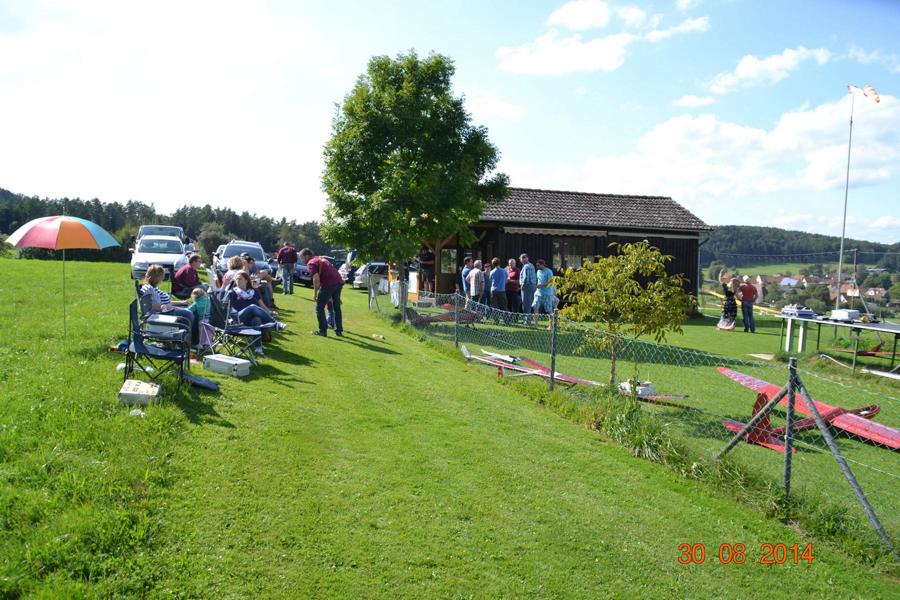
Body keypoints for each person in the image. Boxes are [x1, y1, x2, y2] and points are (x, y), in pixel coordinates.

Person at [228, 272, 286, 354]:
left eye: (240, 279)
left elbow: (262, 305)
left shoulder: (253, 292)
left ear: (246, 280)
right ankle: (275, 323)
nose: (238, 281)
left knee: (257, 319)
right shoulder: (233, 292)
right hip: (237, 318)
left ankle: (258, 348)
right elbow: (224, 303)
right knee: (252, 307)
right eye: (236, 279)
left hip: (249, 321)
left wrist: (270, 312)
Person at [140, 264, 197, 345]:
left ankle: (190, 340)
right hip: (162, 314)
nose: (163, 277)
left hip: (165, 311)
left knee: (190, 311)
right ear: (157, 277)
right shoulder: (149, 289)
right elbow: (156, 307)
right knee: (189, 314)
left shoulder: (152, 287)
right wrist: (171, 307)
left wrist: (180, 303)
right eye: (162, 275)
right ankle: (185, 341)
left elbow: (162, 302)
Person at [300, 247, 344, 337]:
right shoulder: (320, 258)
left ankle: (322, 331)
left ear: (307, 256)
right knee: (336, 307)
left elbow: (316, 278)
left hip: (329, 283)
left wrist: (315, 293)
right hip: (339, 281)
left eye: (302, 258)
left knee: (319, 306)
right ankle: (338, 330)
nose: (302, 260)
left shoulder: (311, 263)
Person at [520, 253, 537, 324]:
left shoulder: (526, 266)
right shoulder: (532, 265)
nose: (520, 260)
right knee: (529, 303)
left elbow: (526, 277)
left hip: (527, 286)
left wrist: (522, 285)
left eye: (521, 259)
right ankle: (528, 320)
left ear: (524, 258)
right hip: (533, 286)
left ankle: (526, 321)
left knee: (526, 303)